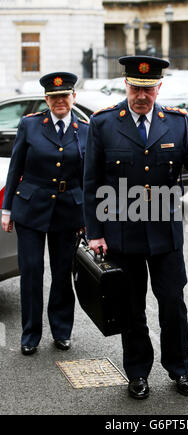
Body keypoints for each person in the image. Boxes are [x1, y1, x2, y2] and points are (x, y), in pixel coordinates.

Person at [83, 55, 188, 399]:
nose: (141, 95)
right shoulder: (103, 124)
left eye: (148, 89)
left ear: (158, 87)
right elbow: (91, 183)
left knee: (173, 304)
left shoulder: (176, 121)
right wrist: (95, 232)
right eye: (135, 87)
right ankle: (137, 373)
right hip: (121, 232)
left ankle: (179, 369)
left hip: (165, 234)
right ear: (125, 84)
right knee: (132, 308)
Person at [1, 72, 89, 355]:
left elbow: (89, 177)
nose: (60, 101)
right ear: (46, 99)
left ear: (73, 97)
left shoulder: (85, 129)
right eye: (54, 97)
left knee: (63, 273)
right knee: (31, 272)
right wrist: (6, 209)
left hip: (69, 211)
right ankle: (30, 334)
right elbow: (16, 167)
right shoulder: (30, 125)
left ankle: (61, 331)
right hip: (31, 208)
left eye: (65, 96)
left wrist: (90, 217)